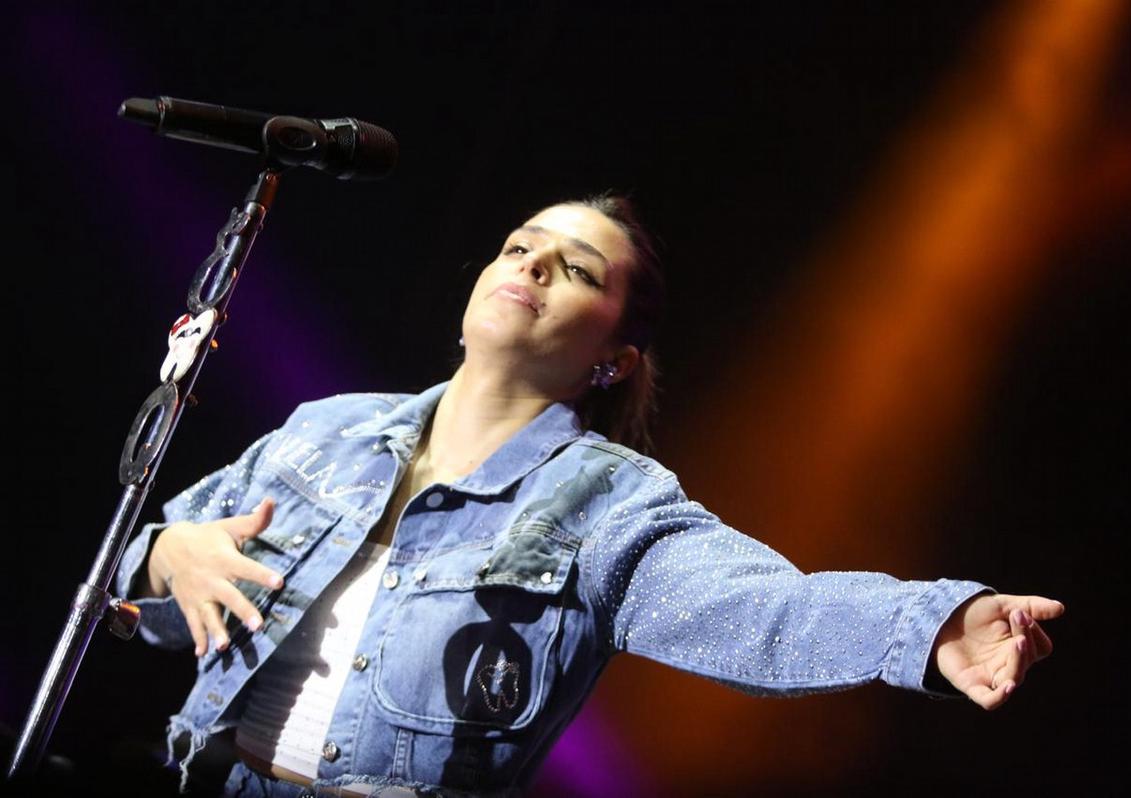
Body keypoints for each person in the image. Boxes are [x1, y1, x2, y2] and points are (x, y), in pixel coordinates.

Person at [117, 196, 1064, 797]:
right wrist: (167, 554)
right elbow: (148, 602)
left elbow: (768, 611)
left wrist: (935, 624)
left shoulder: (609, 504)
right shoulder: (325, 429)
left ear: (615, 359)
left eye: (572, 268)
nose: (528, 265)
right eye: (518, 246)